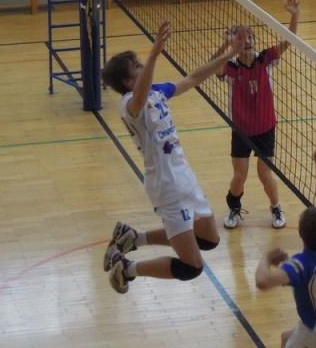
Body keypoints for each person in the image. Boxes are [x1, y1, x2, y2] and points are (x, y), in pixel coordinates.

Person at [99, 20, 248, 294]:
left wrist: (230, 53)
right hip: (167, 186)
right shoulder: (128, 105)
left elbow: (192, 79)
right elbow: (139, 100)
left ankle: (133, 238)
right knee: (192, 267)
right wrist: (155, 53)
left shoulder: (157, 91)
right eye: (137, 65)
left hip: (184, 177)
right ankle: (127, 268)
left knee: (209, 239)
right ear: (128, 81)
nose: (142, 65)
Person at [210, 0, 300, 231]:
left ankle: (276, 207)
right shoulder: (231, 67)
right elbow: (212, 67)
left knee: (264, 175)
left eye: (249, 36)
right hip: (241, 129)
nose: (247, 40)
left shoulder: (265, 59)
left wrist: (294, 15)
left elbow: (289, 40)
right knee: (239, 176)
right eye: (241, 37)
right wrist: (226, 46)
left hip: (265, 127)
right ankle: (234, 208)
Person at [255, 143, 316, 348]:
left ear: (301, 235)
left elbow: (263, 282)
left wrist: (266, 258)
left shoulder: (302, 265)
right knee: (286, 338)